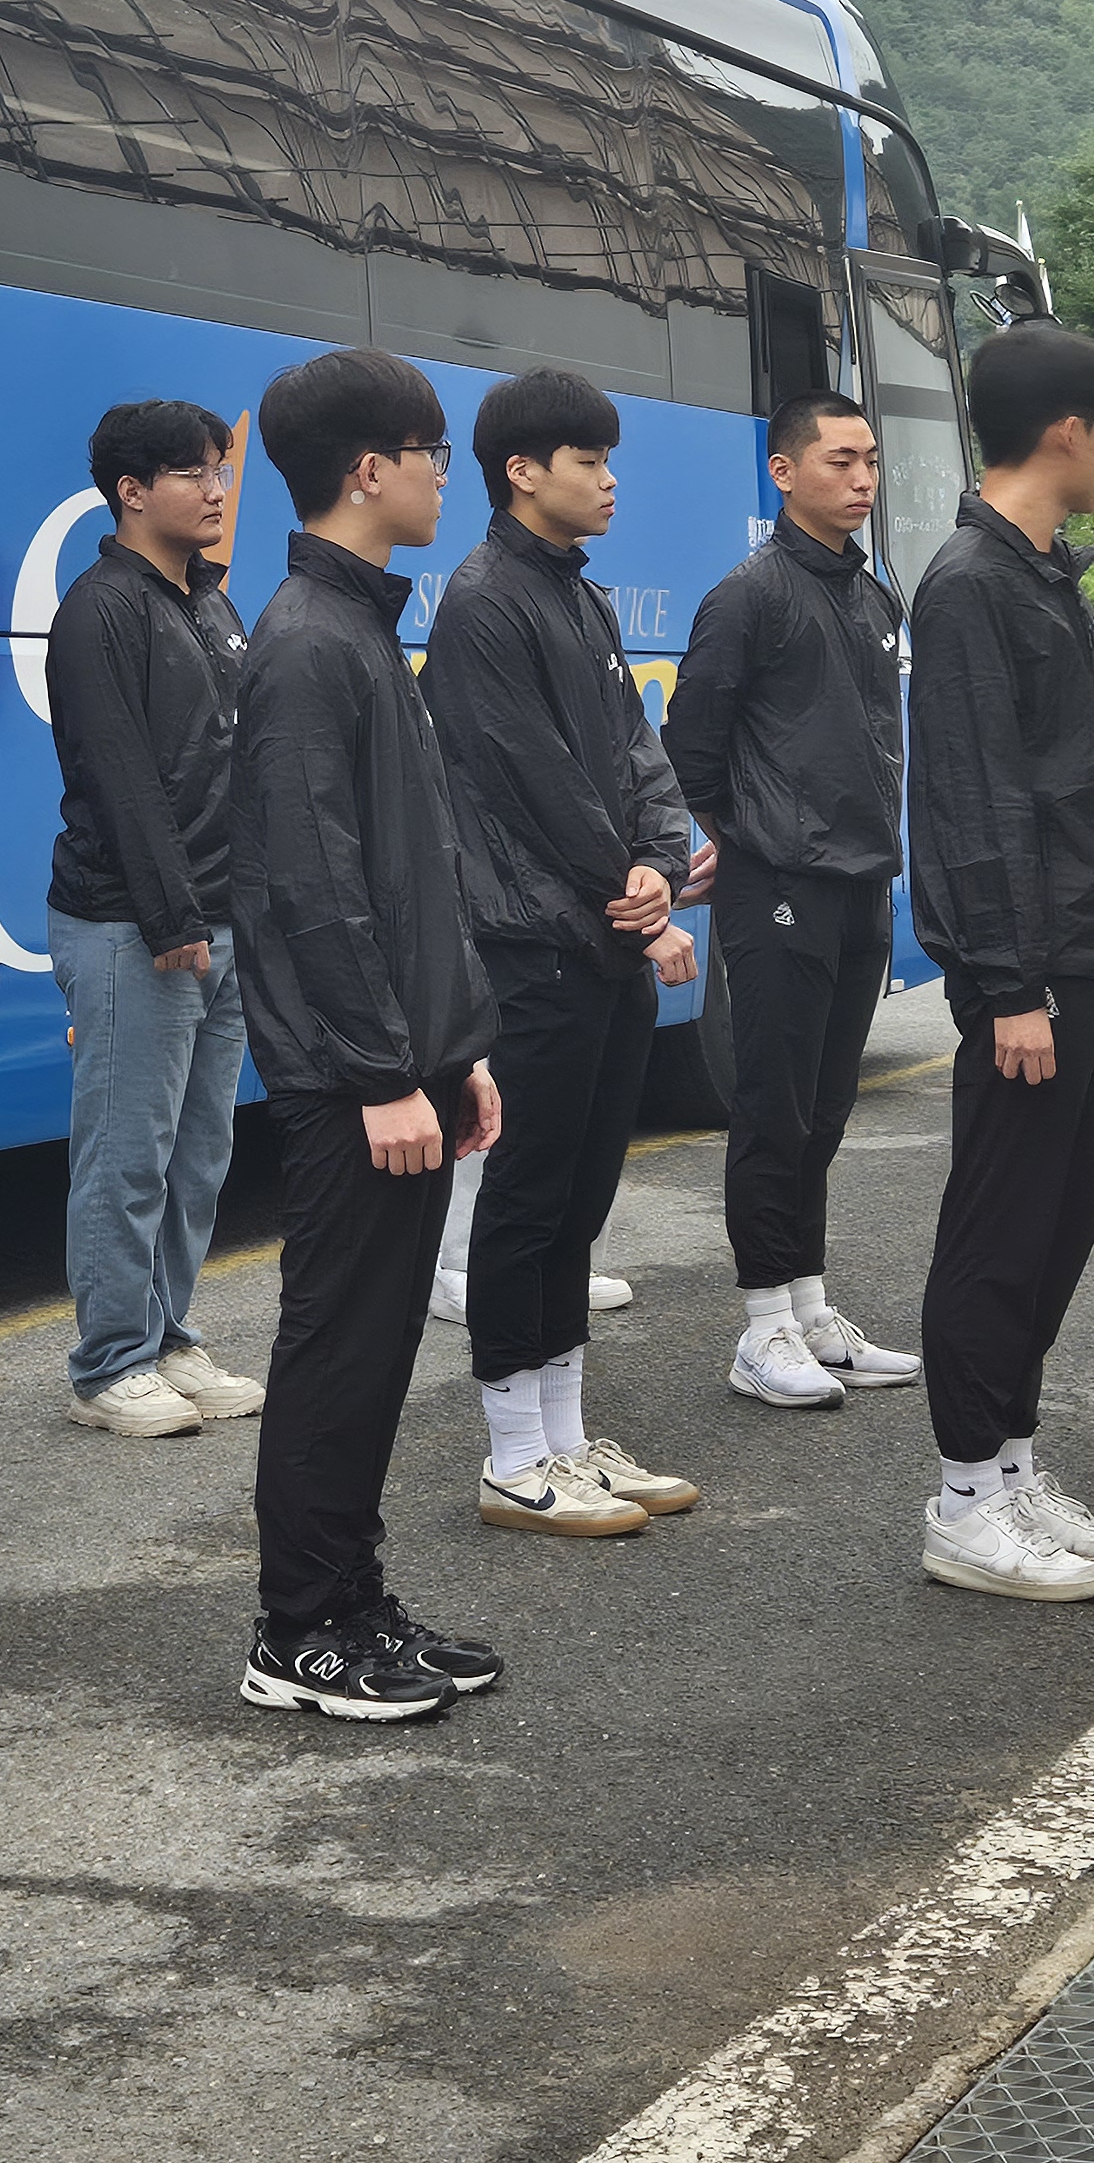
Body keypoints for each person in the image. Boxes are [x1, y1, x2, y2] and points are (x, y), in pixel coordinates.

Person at [231, 346, 508, 1720]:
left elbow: (409, 876)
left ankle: (351, 1599)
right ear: (367, 470)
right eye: (433, 452)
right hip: (351, 1080)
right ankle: (298, 1633)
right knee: (337, 1345)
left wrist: (452, 1054)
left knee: (377, 1346)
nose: (443, 475)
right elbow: (311, 887)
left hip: (398, 1066)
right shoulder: (302, 641)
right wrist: (380, 1074)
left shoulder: (355, 628)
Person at [905, 322, 1094, 1603]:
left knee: (1059, 1228)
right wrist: (1006, 984)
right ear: (1066, 430)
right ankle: (960, 1501)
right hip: (1039, 974)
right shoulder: (968, 585)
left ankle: (1012, 1465)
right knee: (1001, 1231)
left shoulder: (1047, 572)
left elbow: (1086, 781)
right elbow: (971, 803)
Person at [422, 369, 704, 1539]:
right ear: (522, 470)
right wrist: (626, 883)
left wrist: (659, 850)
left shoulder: (579, 598)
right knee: (526, 1202)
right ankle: (509, 1456)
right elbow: (528, 774)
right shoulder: (485, 601)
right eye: (588, 459)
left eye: (608, 458)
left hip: (601, 934)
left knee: (582, 1195)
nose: (609, 479)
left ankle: (568, 1440)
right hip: (532, 941)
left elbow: (634, 746)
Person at [666, 388, 921, 1408]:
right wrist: (739, 838)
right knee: (770, 1108)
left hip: (860, 881)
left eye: (869, 462)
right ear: (783, 473)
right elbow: (693, 743)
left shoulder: (870, 594)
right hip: (777, 885)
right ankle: (761, 1325)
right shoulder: (749, 593)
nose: (860, 480)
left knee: (825, 1105)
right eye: (838, 462)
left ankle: (811, 1306)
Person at [44, 399, 264, 1440]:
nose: (216, 489)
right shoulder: (102, 608)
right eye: (191, 474)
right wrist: (173, 914)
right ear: (132, 493)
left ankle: (169, 1337)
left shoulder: (210, 605)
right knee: (127, 1154)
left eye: (219, 471)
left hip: (220, 920)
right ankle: (108, 1365)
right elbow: (117, 774)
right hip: (135, 924)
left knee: (197, 1152)